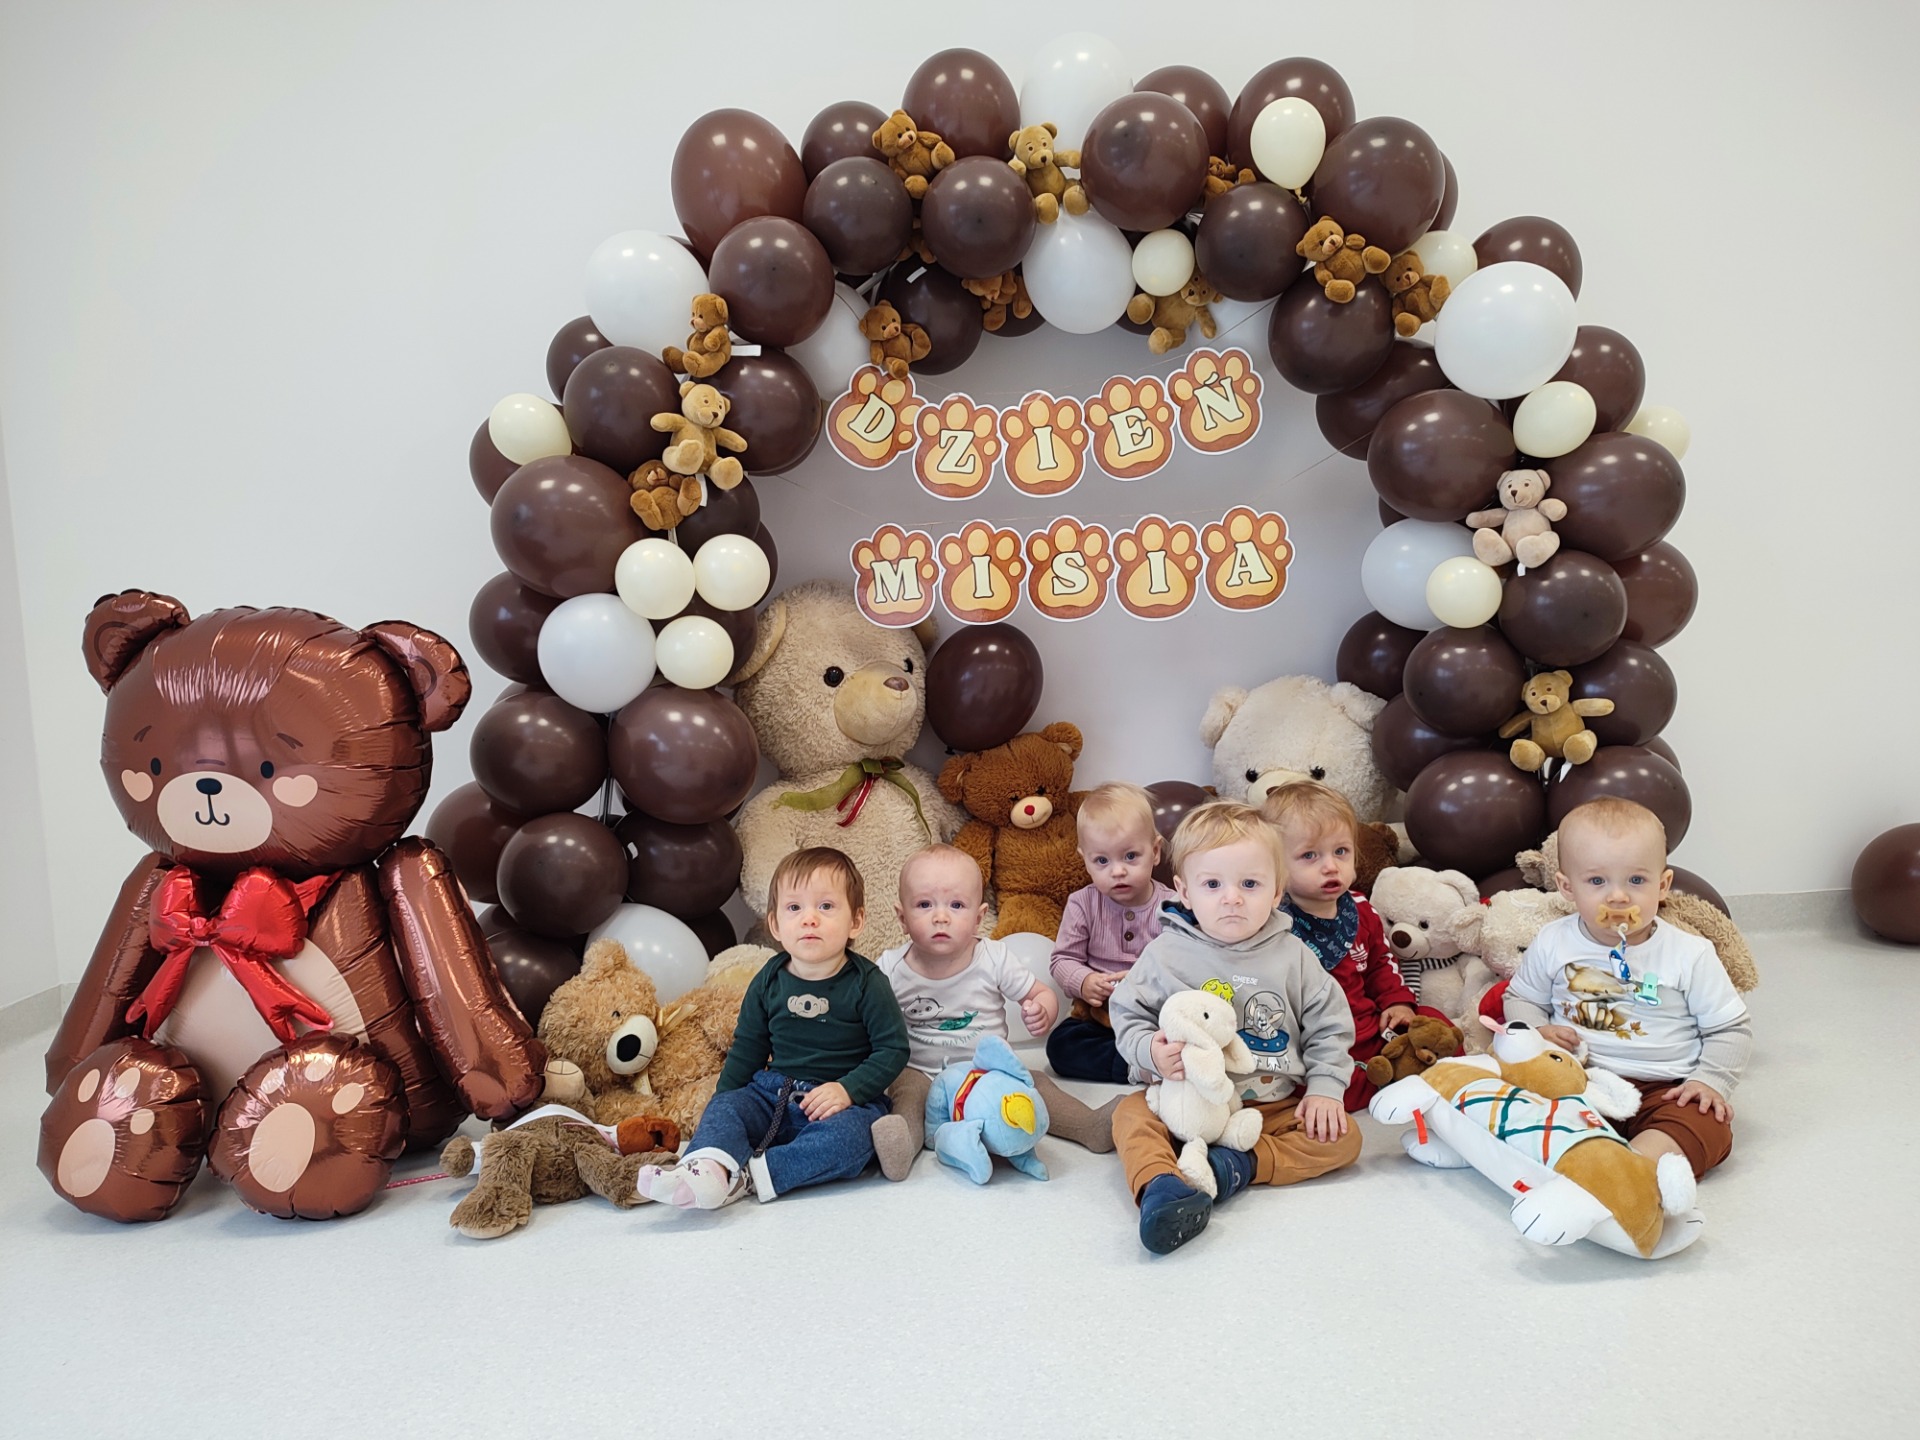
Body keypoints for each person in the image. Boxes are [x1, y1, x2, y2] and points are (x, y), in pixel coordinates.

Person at [1108, 800, 1362, 1255]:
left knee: (1343, 1139)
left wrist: (1326, 1088)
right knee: (1129, 1115)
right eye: (1213, 884)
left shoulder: (1294, 957)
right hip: (1183, 1101)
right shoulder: (1165, 954)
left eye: (1250, 883)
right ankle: (1161, 1187)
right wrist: (1150, 1051)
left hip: (1268, 1106)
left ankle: (1235, 1166)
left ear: (1277, 891)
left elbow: (1330, 1024)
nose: (1232, 898)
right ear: (1184, 891)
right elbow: (1127, 1011)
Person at [636, 847, 908, 1209]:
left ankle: (752, 1177)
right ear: (776, 925)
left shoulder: (867, 982)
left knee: (853, 1139)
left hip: (839, 1103)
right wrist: (721, 1108)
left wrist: (848, 1090)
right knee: (728, 1106)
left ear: (855, 921)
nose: (809, 919)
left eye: (826, 906)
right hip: (773, 1094)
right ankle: (705, 1167)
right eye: (794, 908)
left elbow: (893, 1049)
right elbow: (748, 1048)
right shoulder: (769, 979)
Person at [1505, 797, 1750, 1178]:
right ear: (1567, 887)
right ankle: (1594, 1160)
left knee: (1706, 1125)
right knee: (1519, 1102)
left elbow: (1730, 1028)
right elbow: (1521, 997)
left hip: (1665, 1087)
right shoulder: (1554, 941)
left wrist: (1709, 1081)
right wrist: (1537, 1030)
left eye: (1636, 880)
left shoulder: (1690, 953)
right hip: (1579, 1079)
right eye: (1597, 881)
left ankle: (1630, 1167)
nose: (1618, 896)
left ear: (1663, 885)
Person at [870, 844, 1123, 1178]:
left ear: (978, 918)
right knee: (907, 1094)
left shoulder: (993, 957)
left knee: (1036, 1084)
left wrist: (1043, 1010)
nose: (941, 916)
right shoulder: (890, 968)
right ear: (902, 917)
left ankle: (1089, 1125)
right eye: (924, 905)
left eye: (956, 905)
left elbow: (1040, 992)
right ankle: (901, 1144)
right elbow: (865, 1016)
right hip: (919, 1070)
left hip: (987, 1071)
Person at [1262, 780, 1455, 1111]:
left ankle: (1405, 1073)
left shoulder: (1360, 908)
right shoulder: (1274, 923)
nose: (1330, 866)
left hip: (1371, 1026)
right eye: (1309, 855)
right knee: (1326, 1085)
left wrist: (1398, 1003)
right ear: (1274, 865)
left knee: (1436, 1025)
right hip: (1318, 1040)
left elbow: (1381, 963)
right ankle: (1390, 1080)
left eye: (1341, 851)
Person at [1046, 782, 1177, 1085]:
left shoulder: (1172, 907)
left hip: (1154, 1015)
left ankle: (1156, 1055)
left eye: (1130, 856)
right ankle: (1137, 1067)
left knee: (1191, 1031)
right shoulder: (1082, 903)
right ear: (1085, 859)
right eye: (1102, 861)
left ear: (1155, 851)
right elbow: (1062, 959)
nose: (1117, 871)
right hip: (1100, 1016)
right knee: (1061, 1046)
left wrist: (1145, 982)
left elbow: (1183, 963)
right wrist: (1084, 981)